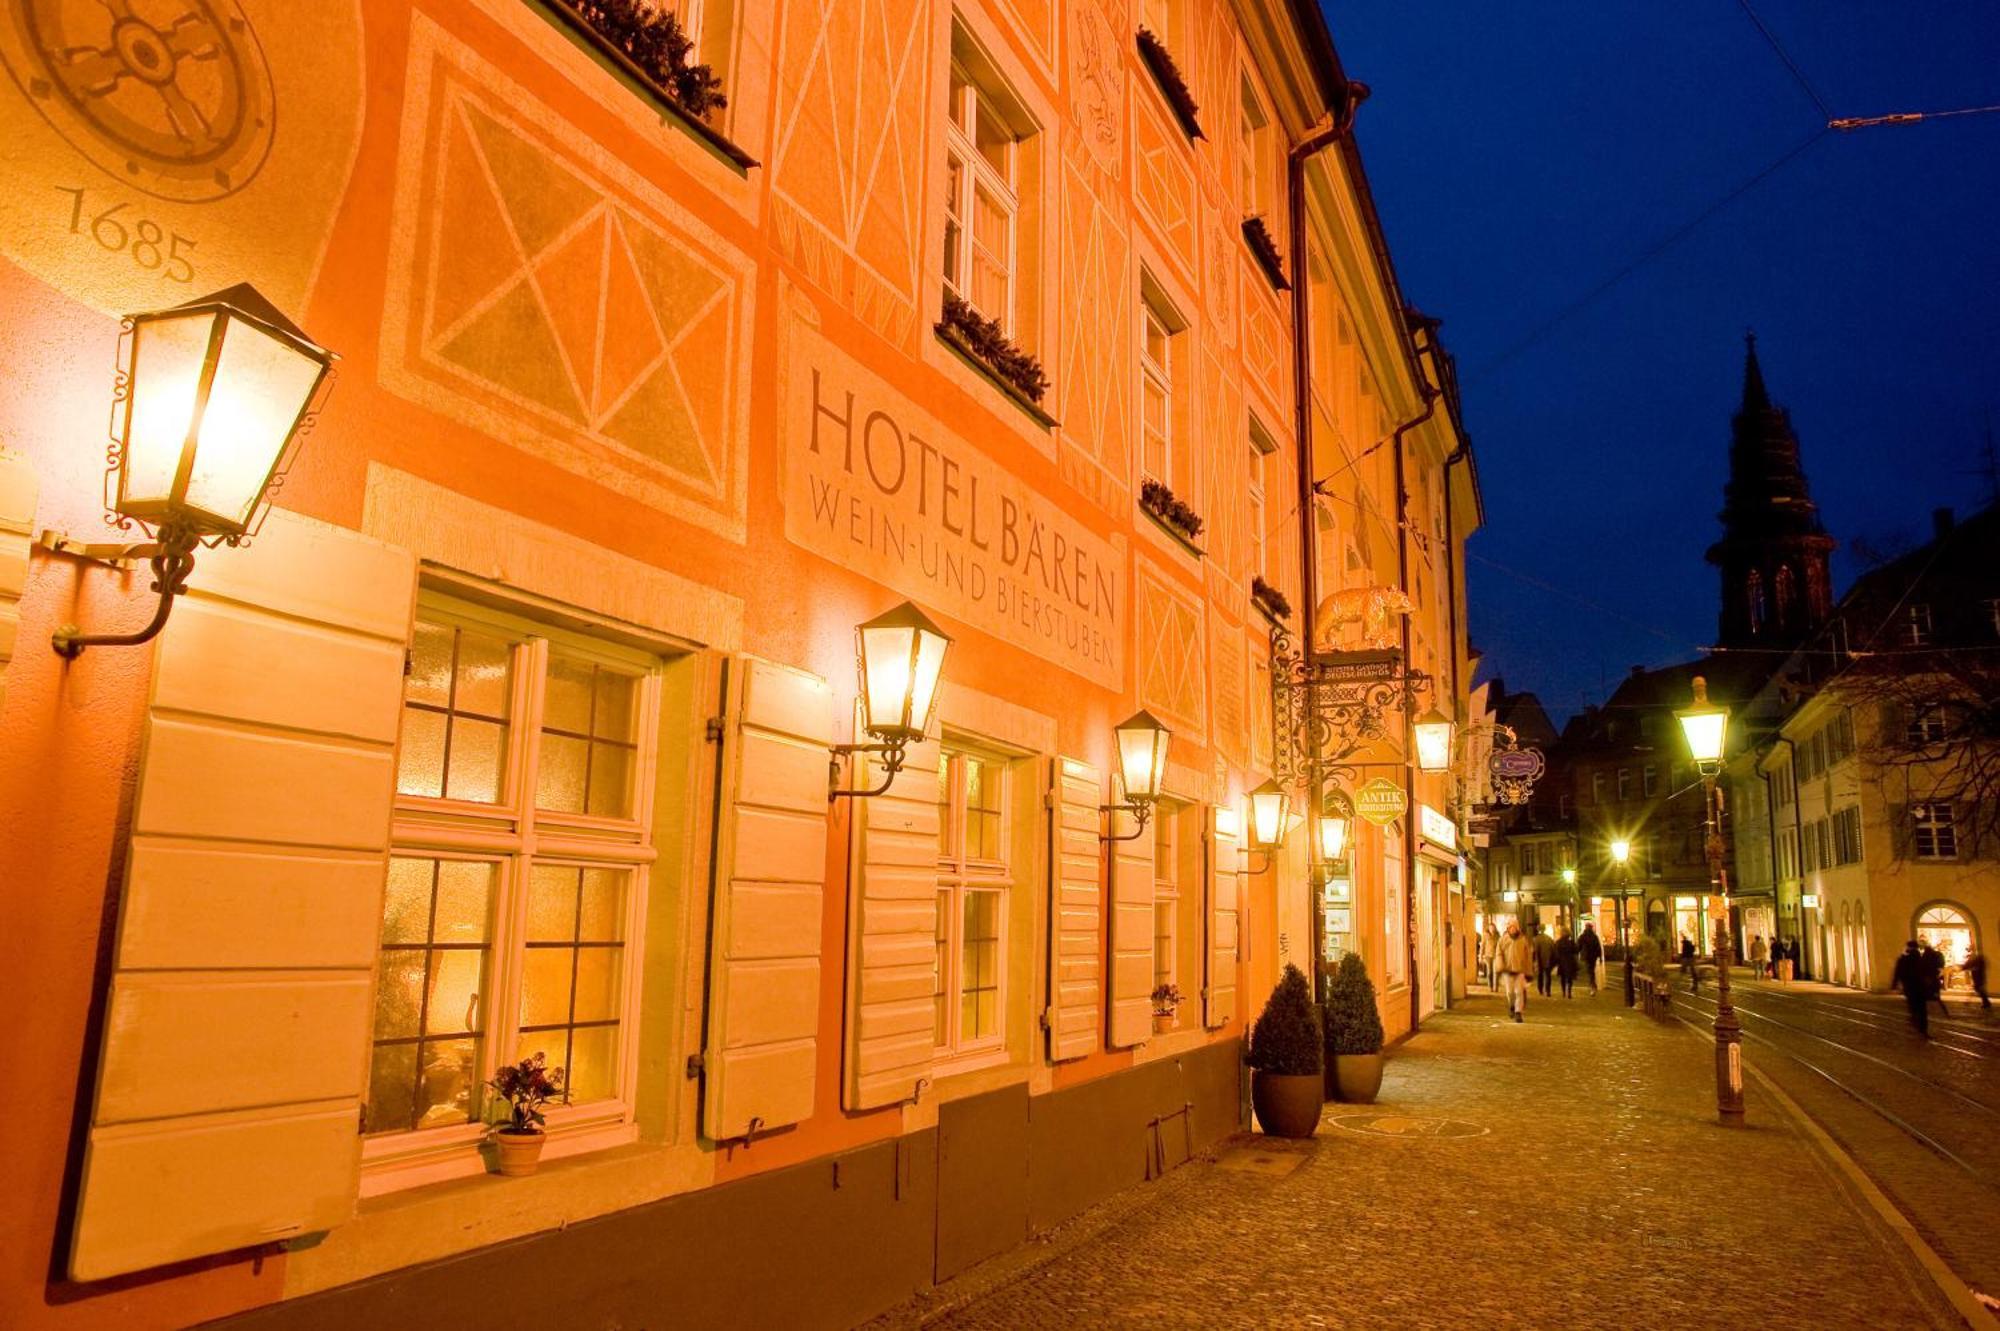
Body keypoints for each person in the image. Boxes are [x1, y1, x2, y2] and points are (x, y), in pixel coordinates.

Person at [1892, 940, 1930, 1038]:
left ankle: (1915, 1021)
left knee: (1913, 1005)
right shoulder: (1922, 959)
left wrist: (1894, 984)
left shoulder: (1903, 959)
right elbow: (1928, 972)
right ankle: (1923, 1028)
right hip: (1921, 986)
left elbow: (1898, 972)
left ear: (1908, 947)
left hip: (1909, 986)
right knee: (1922, 1008)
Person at [1496, 921, 1532, 1022]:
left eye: (1514, 927)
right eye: (1511, 927)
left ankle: (1518, 1012)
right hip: (1507, 970)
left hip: (1519, 970)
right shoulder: (1503, 939)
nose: (1513, 929)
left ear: (1517, 928)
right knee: (1510, 992)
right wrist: (1500, 966)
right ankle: (1511, 1005)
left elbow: (1527, 956)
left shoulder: (1523, 940)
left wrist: (1528, 972)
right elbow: (1499, 954)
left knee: (1519, 992)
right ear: (1508, 928)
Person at [1920, 941, 1949, 1019]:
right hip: (1934, 979)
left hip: (1927, 979)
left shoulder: (1924, 956)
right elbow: (1941, 965)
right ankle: (1945, 1013)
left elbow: (1921, 968)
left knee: (1926, 997)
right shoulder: (1938, 954)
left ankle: (1925, 1014)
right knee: (1936, 997)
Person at [1578, 922, 1603, 995]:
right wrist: (1600, 957)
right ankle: (1592, 985)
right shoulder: (1594, 936)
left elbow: (1578, 946)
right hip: (1593, 956)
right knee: (1591, 971)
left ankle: (1592, 986)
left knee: (1590, 971)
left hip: (1586, 956)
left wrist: (1577, 953)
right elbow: (1598, 948)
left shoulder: (1583, 936)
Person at [1965, 945, 1991, 1016]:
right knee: (1978, 988)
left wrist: (1973, 968)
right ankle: (1986, 1002)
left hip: (1978, 975)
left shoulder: (1977, 957)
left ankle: (1986, 1003)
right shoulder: (1973, 957)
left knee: (1979, 988)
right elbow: (1967, 965)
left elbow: (1969, 965)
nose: (1969, 950)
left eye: (1970, 949)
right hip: (1977, 975)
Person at [1533, 925, 1558, 997]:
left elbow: (1534, 951)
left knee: (1540, 975)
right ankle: (1548, 991)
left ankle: (1540, 990)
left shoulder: (1535, 939)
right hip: (1548, 960)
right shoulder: (1549, 938)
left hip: (1539, 960)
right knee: (1548, 976)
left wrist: (1534, 961)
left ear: (1538, 929)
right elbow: (1554, 950)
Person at [1555, 927, 1580, 999]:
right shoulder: (1571, 942)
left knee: (1563, 978)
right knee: (1569, 978)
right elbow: (1576, 950)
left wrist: (1557, 961)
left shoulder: (1559, 942)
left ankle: (1563, 992)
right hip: (1570, 961)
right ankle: (1569, 992)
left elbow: (1556, 952)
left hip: (1562, 962)